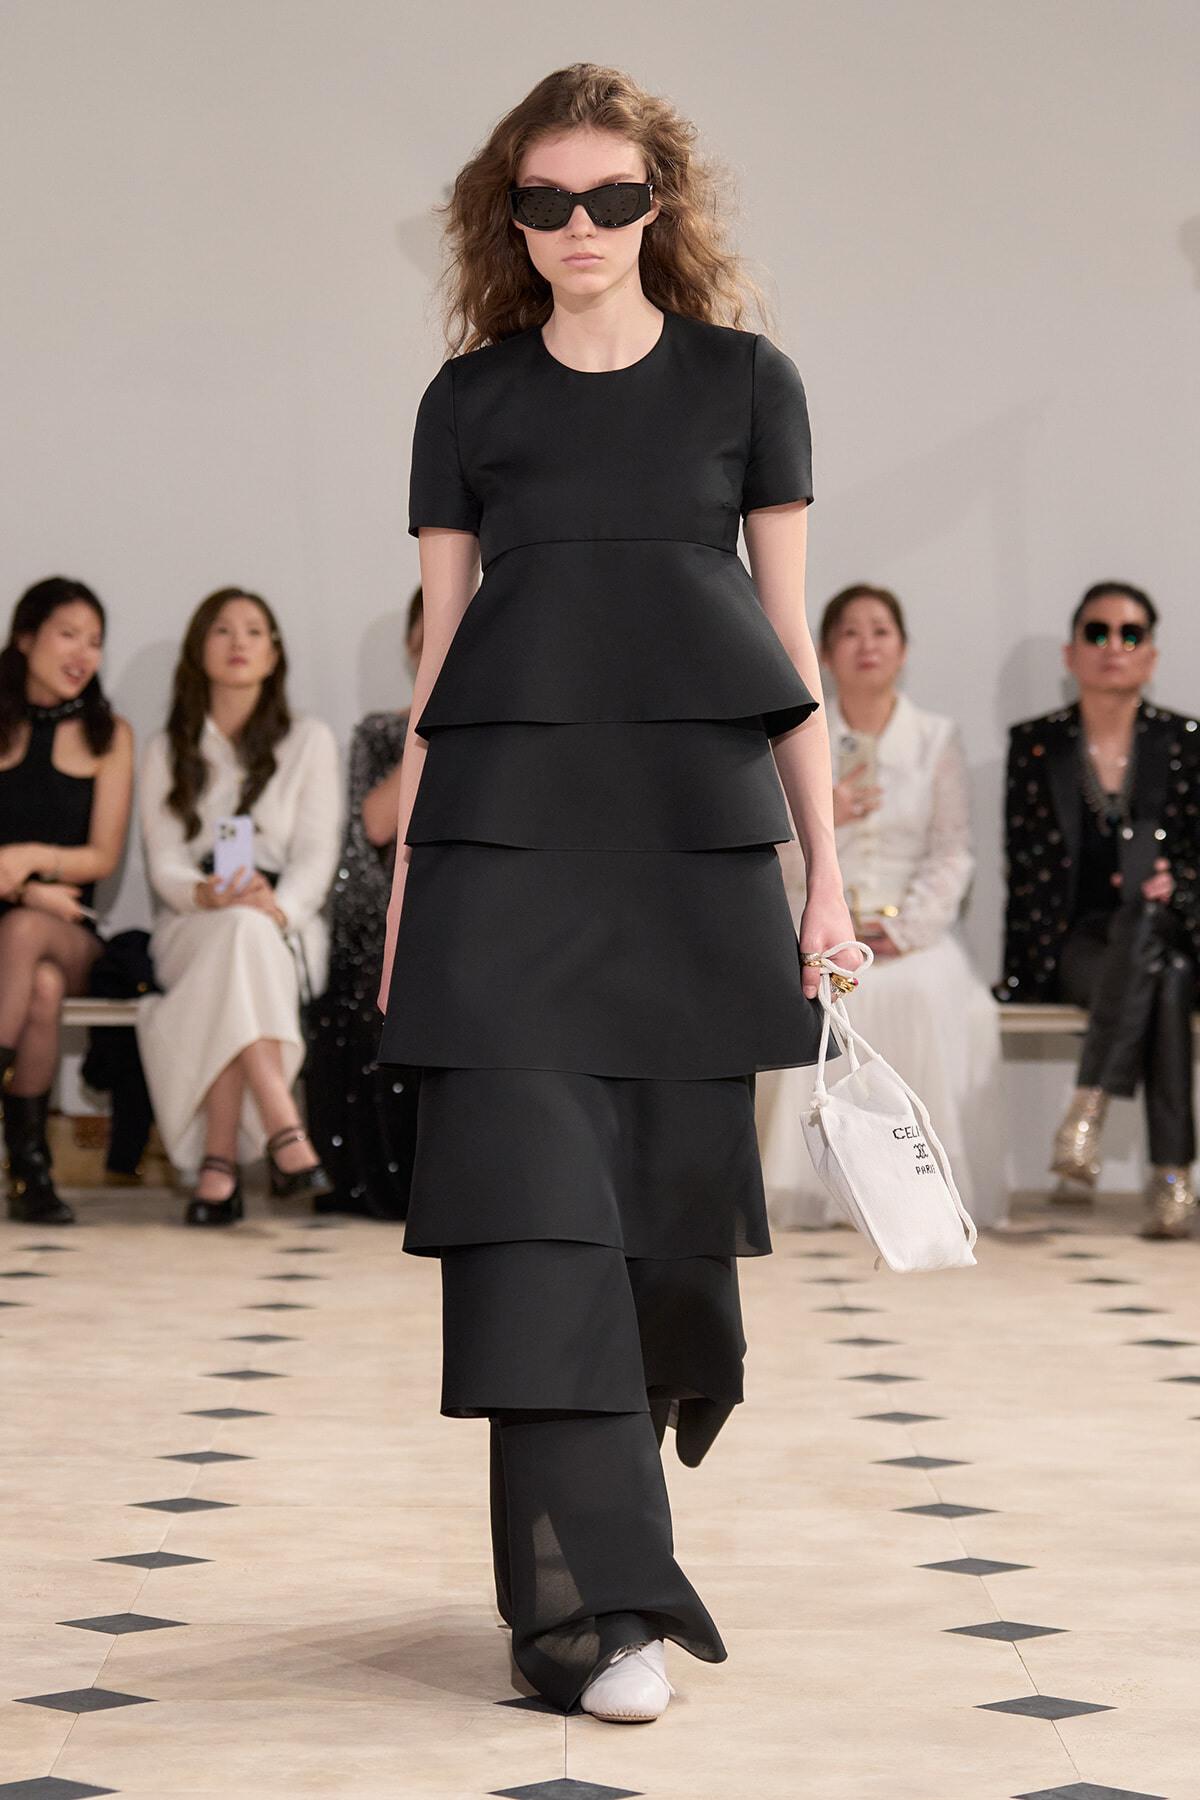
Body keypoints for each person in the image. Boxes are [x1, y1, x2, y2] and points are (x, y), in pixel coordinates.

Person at [376, 64, 857, 1722]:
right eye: (547, 200)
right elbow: (442, 661)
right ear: (506, 218)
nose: (580, 225)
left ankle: (607, 1531)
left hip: (691, 863)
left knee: (660, 1242)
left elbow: (789, 651)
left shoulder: (746, 384)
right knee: (537, 1232)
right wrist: (408, 887)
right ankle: (592, 1619)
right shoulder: (469, 403)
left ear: (663, 205)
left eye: (613, 197)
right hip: (504, 866)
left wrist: (825, 877)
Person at [758, 585, 1006, 1227]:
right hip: (815, 921)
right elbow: (774, 857)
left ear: (903, 649)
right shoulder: (792, 737)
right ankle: (817, 1187)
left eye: (880, 631)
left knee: (925, 990)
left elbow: (952, 853)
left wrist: (907, 930)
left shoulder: (934, 738)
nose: (866, 644)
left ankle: (922, 1188)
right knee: (816, 993)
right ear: (824, 652)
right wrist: (828, 813)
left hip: (909, 931)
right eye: (850, 631)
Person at [1000, 582, 1200, 1239]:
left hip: (1174, 929)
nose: (1114, 645)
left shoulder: (1184, 742)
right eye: (1098, 632)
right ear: (1071, 651)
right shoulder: (1037, 745)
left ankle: (1086, 1110)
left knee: (1164, 954)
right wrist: (1019, 970)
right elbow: (1023, 870)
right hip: (1079, 944)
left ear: (1151, 655)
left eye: (1130, 634)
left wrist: (1180, 883)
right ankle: (1172, 1181)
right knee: (1164, 976)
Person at [137, 588, 342, 1226]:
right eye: (222, 630)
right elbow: (164, 861)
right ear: (199, 649)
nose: (238, 643)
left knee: (244, 938)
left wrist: (278, 907)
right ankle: (284, 1123)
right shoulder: (166, 748)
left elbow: (317, 854)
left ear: (274, 654)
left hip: (282, 923)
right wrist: (204, 892)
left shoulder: (309, 740)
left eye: (254, 631)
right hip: (193, 918)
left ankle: (218, 1163)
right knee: (232, 936)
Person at [0, 577, 134, 1224]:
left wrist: (26, 859)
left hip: (69, 928)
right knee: (42, 988)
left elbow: (102, 858)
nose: (84, 653)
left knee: (28, 936)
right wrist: (28, 889)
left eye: (96, 641)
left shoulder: (111, 735)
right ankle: (30, 1171)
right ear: (26, 639)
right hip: (23, 924)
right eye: (68, 635)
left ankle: (27, 1166)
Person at [306, 589, 424, 1218]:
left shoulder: (502, 729)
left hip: (461, 913)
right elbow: (375, 826)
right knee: (370, 984)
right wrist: (432, 719)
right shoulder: (380, 732)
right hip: (380, 917)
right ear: (410, 645)